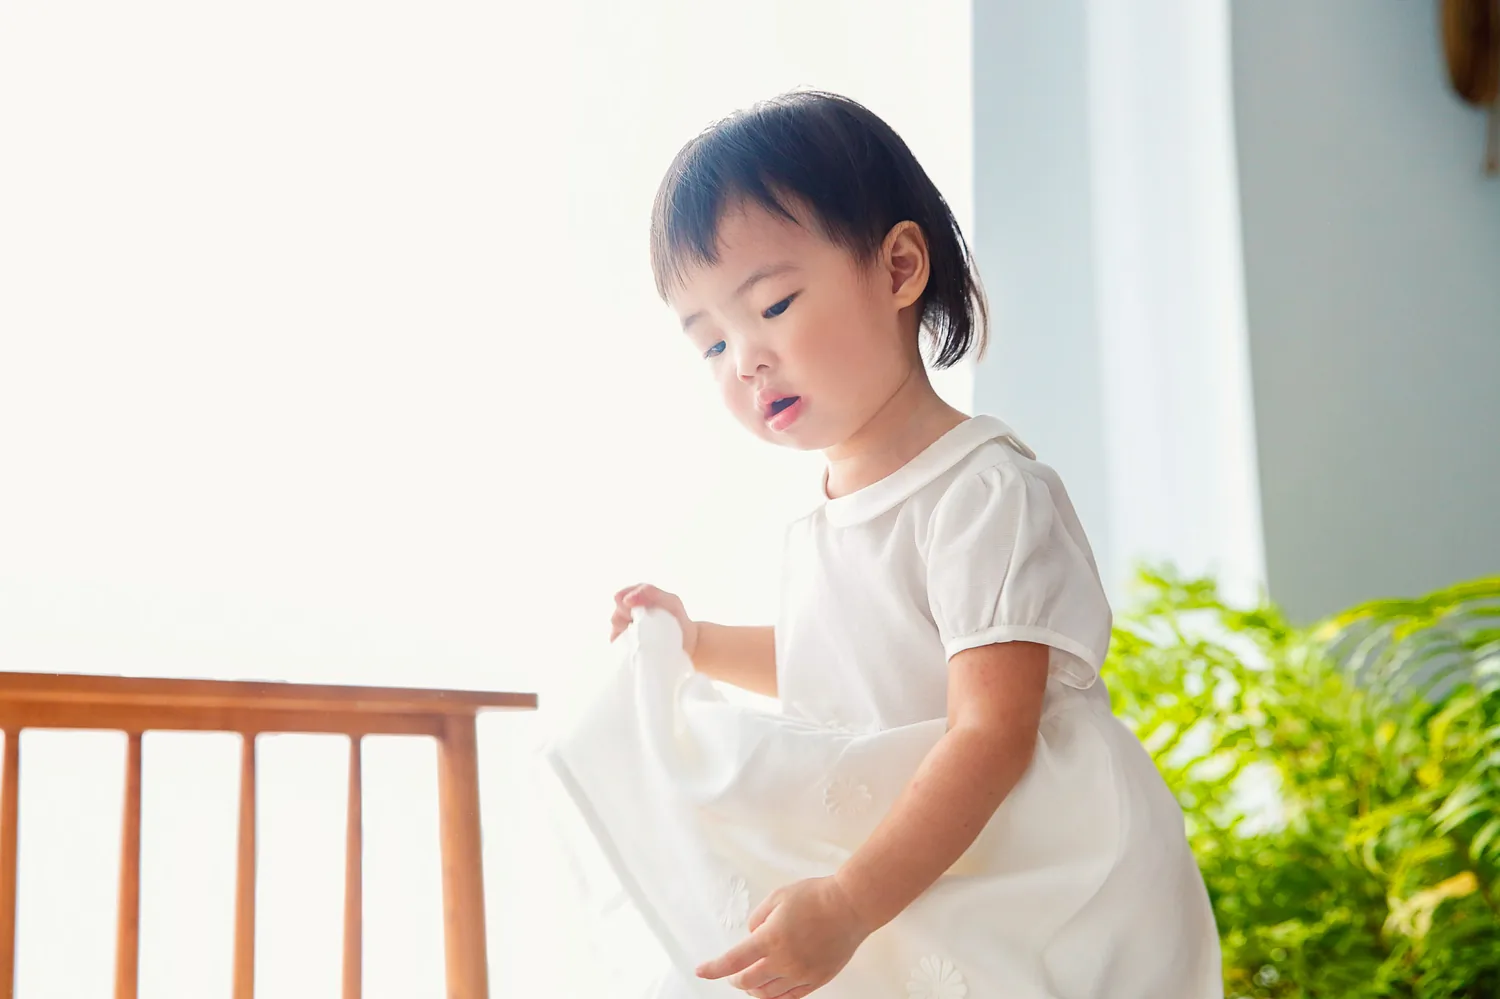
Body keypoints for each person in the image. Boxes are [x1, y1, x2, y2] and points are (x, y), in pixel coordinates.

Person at [591, 90, 1221, 999]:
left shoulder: (981, 493)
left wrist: (852, 900)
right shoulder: (821, 522)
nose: (746, 358)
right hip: (922, 859)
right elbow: (841, 666)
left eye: (773, 304)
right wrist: (695, 641)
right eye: (712, 344)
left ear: (898, 268)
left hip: (1032, 873)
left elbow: (992, 732)